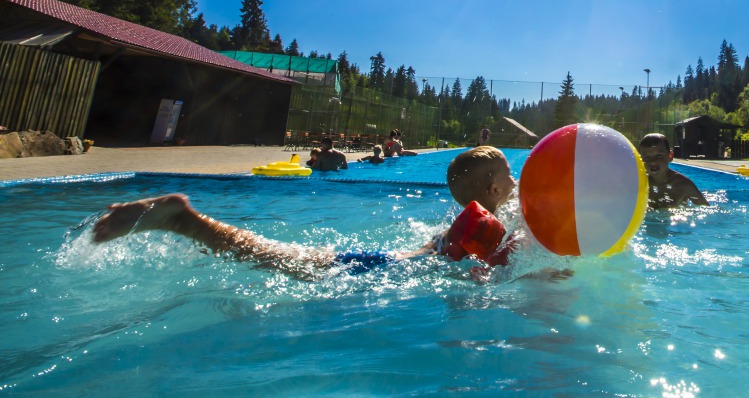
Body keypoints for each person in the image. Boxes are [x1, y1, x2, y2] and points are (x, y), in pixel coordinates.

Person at [91, 146, 519, 279]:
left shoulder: (458, 224)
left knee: (281, 257)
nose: (517, 184)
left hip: (387, 261)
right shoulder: (482, 228)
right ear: (494, 189)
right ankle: (185, 220)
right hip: (382, 271)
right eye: (511, 176)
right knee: (281, 259)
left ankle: (187, 223)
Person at [638, 133, 708, 208]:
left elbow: (705, 208)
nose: (653, 162)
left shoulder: (683, 185)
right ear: (640, 160)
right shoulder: (639, 184)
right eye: (647, 157)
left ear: (670, 156)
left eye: (659, 155)